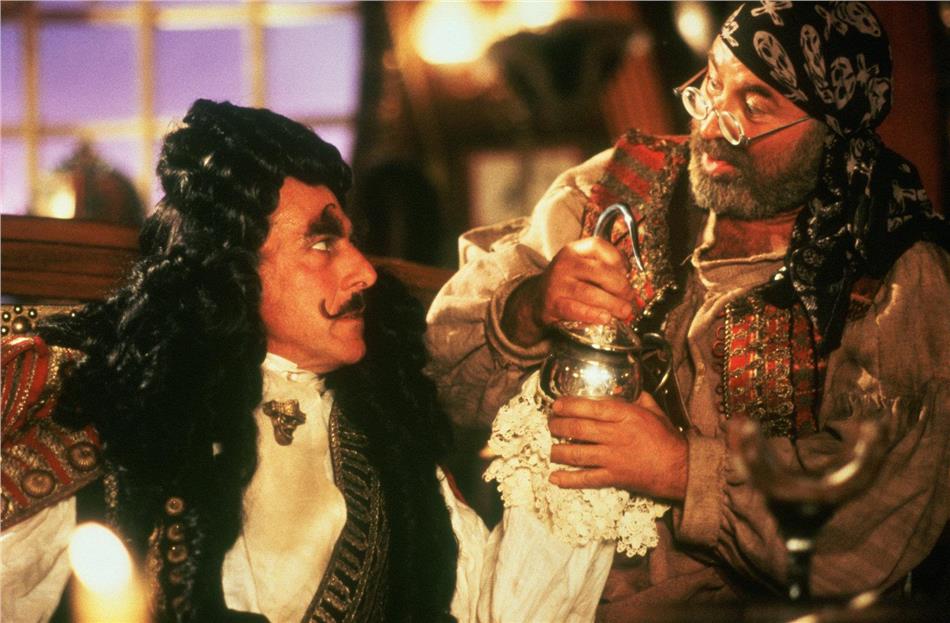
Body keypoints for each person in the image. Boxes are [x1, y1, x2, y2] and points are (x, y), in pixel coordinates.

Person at [1, 100, 617, 623]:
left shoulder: (385, 438)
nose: (364, 271)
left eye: (351, 239)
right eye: (322, 243)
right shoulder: (112, 419)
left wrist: (581, 405)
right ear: (234, 272)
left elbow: (499, 611)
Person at [427, 1, 950, 615]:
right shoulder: (617, 187)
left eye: (755, 106)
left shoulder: (891, 275)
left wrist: (680, 470)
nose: (714, 125)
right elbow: (440, 380)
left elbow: (871, 526)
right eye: (712, 86)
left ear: (834, 131)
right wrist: (529, 307)